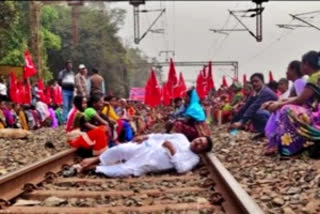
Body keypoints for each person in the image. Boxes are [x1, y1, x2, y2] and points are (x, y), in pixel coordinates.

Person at [263, 51, 320, 156]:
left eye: (302, 63)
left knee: (287, 110)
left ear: (306, 64)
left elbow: (300, 100)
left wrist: (279, 104)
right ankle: (282, 143)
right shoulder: (315, 76)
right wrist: (279, 102)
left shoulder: (314, 78)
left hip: (317, 115)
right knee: (286, 107)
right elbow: (299, 98)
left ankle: (288, 147)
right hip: (317, 112)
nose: (301, 66)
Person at [79, 133, 213, 177]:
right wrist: (146, 136)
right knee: (121, 149)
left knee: (126, 170)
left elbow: (181, 169)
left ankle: (95, 169)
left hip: (152, 162)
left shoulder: (194, 159)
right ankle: (96, 159)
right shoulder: (181, 137)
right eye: (199, 139)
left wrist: (173, 151)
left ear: (202, 151)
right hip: (147, 147)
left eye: (202, 145)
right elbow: (161, 135)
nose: (198, 142)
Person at [230, 73, 278, 139]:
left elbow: (253, 107)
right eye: (252, 82)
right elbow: (246, 107)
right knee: (251, 112)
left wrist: (241, 122)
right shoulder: (255, 93)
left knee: (256, 112)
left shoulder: (266, 92)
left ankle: (272, 132)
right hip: (269, 114)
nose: (254, 84)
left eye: (256, 81)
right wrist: (233, 122)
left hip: (276, 117)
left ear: (263, 81)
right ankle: (263, 132)